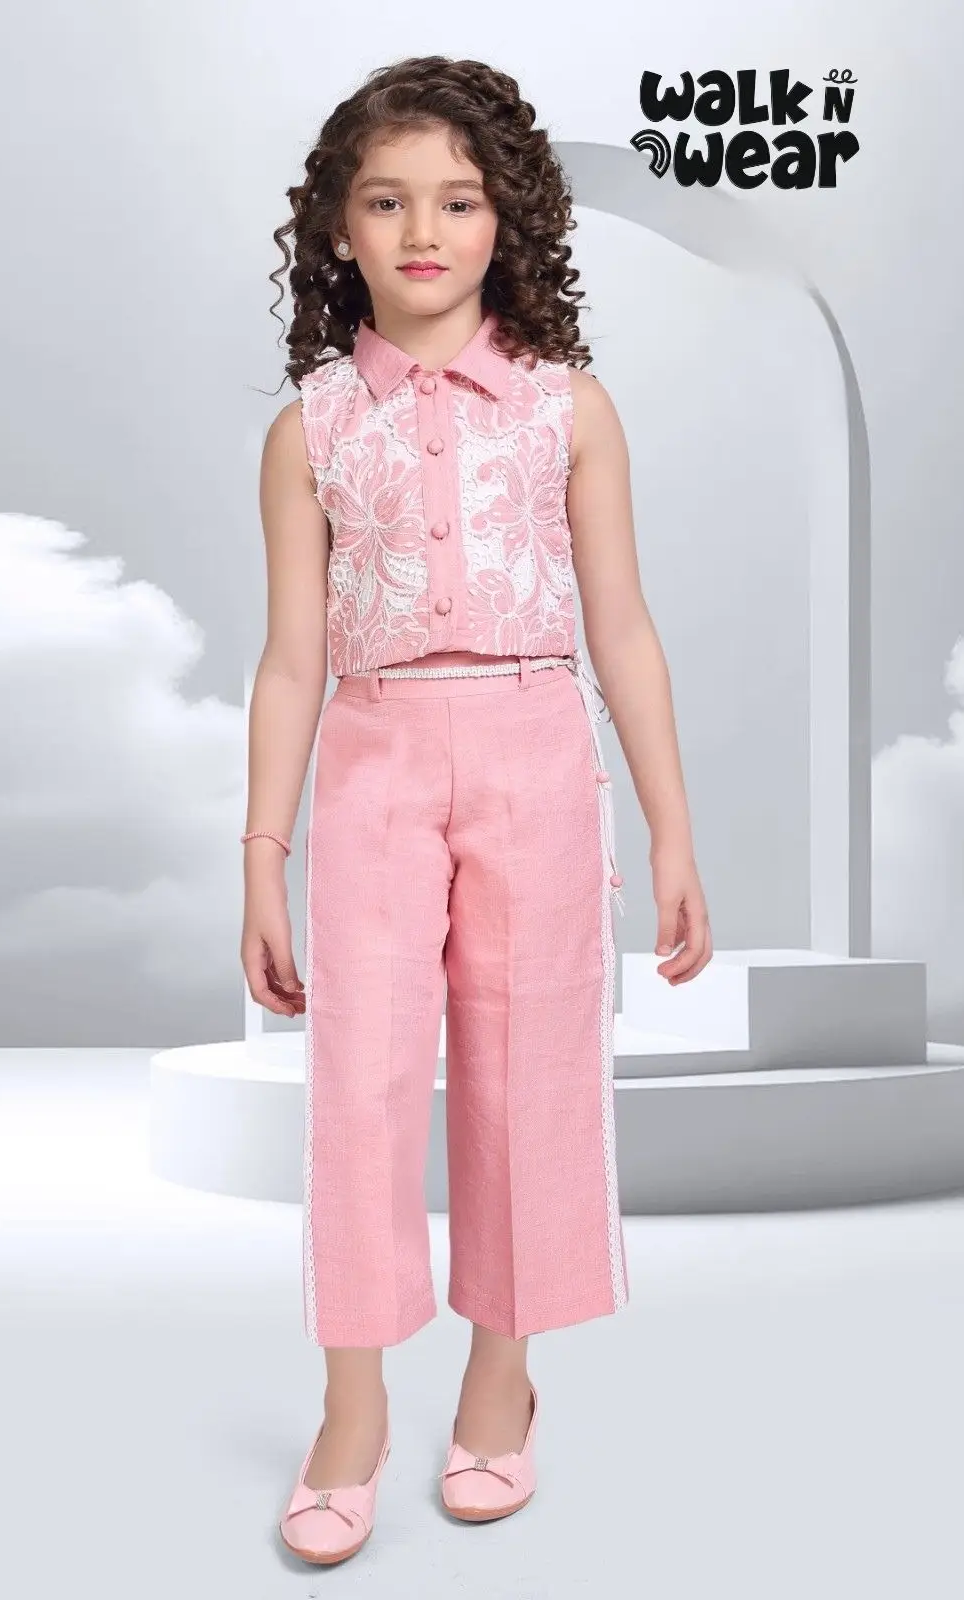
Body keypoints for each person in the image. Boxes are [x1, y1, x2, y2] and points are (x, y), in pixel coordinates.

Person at [242, 55, 712, 1567]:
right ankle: (353, 1408)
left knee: (528, 1075)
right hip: (373, 759)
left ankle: (501, 1381)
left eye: (457, 200)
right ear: (339, 227)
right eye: (386, 202)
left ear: (507, 220)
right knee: (361, 1086)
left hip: (533, 749)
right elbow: (291, 659)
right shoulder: (312, 427)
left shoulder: (568, 410)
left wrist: (672, 828)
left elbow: (622, 627)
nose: (423, 231)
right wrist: (261, 856)